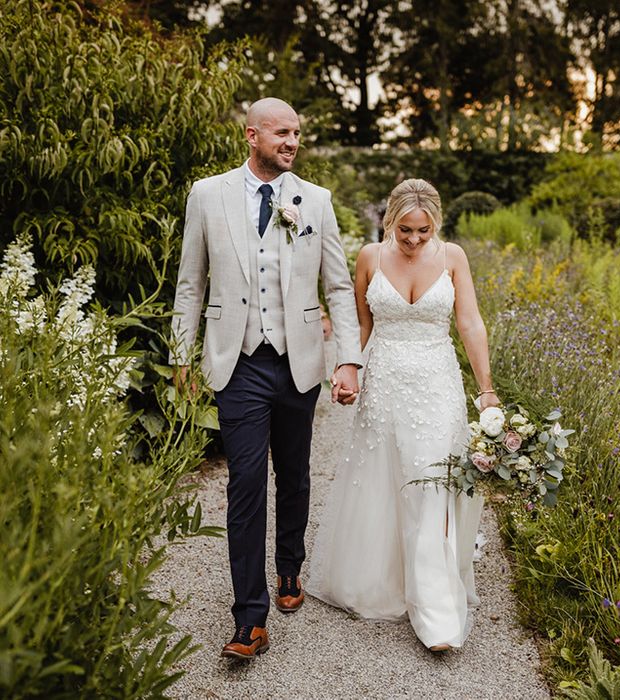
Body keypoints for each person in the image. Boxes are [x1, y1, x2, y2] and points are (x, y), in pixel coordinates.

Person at [170, 97, 362, 659]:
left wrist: (347, 358)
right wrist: (183, 356)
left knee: (296, 476)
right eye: (281, 133)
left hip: (298, 361)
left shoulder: (315, 201)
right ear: (251, 136)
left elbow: (338, 288)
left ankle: (289, 568)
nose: (292, 142)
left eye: (297, 133)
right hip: (238, 363)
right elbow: (190, 285)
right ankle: (248, 618)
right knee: (246, 483)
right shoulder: (208, 195)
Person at [307, 178, 500, 651]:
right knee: (384, 479)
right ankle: (385, 581)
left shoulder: (453, 257)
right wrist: (346, 370)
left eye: (423, 230)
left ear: (436, 222)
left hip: (438, 382)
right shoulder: (370, 258)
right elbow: (359, 324)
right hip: (386, 380)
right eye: (405, 230)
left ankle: (435, 609)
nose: (414, 240)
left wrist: (487, 390)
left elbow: (470, 323)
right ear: (389, 220)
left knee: (432, 482)